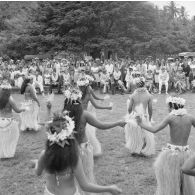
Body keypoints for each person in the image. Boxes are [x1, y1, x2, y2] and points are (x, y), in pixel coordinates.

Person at [31, 111, 122, 195]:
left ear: (50, 136)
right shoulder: (73, 158)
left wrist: (37, 163)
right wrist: (109, 188)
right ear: (70, 136)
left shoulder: (44, 154)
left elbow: (37, 172)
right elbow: (85, 186)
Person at [63, 87, 126, 195]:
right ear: (78, 101)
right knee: (86, 174)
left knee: (71, 174)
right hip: (83, 149)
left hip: (68, 149)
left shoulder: (63, 115)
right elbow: (101, 125)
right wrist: (117, 123)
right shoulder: (84, 114)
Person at [136, 96, 195, 195]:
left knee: (170, 178)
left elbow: (155, 129)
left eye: (168, 106)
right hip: (185, 153)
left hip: (171, 154)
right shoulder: (190, 117)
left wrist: (140, 124)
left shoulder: (170, 117)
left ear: (172, 106)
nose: (168, 109)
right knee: (183, 178)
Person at [77, 76, 112, 157]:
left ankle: (89, 151)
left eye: (82, 87)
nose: (81, 88)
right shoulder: (76, 95)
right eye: (80, 87)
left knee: (88, 134)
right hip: (78, 116)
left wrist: (106, 107)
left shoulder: (88, 95)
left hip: (85, 116)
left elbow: (96, 106)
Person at [124, 78, 155, 156]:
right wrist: (150, 118)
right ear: (144, 84)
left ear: (137, 85)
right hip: (144, 117)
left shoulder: (133, 95)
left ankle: (134, 149)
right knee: (145, 134)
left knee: (134, 134)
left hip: (134, 116)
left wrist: (130, 115)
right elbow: (150, 109)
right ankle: (142, 150)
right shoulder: (149, 95)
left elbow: (129, 108)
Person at [0, 79, 26, 158]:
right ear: (9, 90)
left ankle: (3, 152)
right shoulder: (10, 99)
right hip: (9, 122)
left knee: (2, 138)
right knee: (11, 138)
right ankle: (7, 152)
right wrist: (23, 109)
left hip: (0, 120)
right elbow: (17, 110)